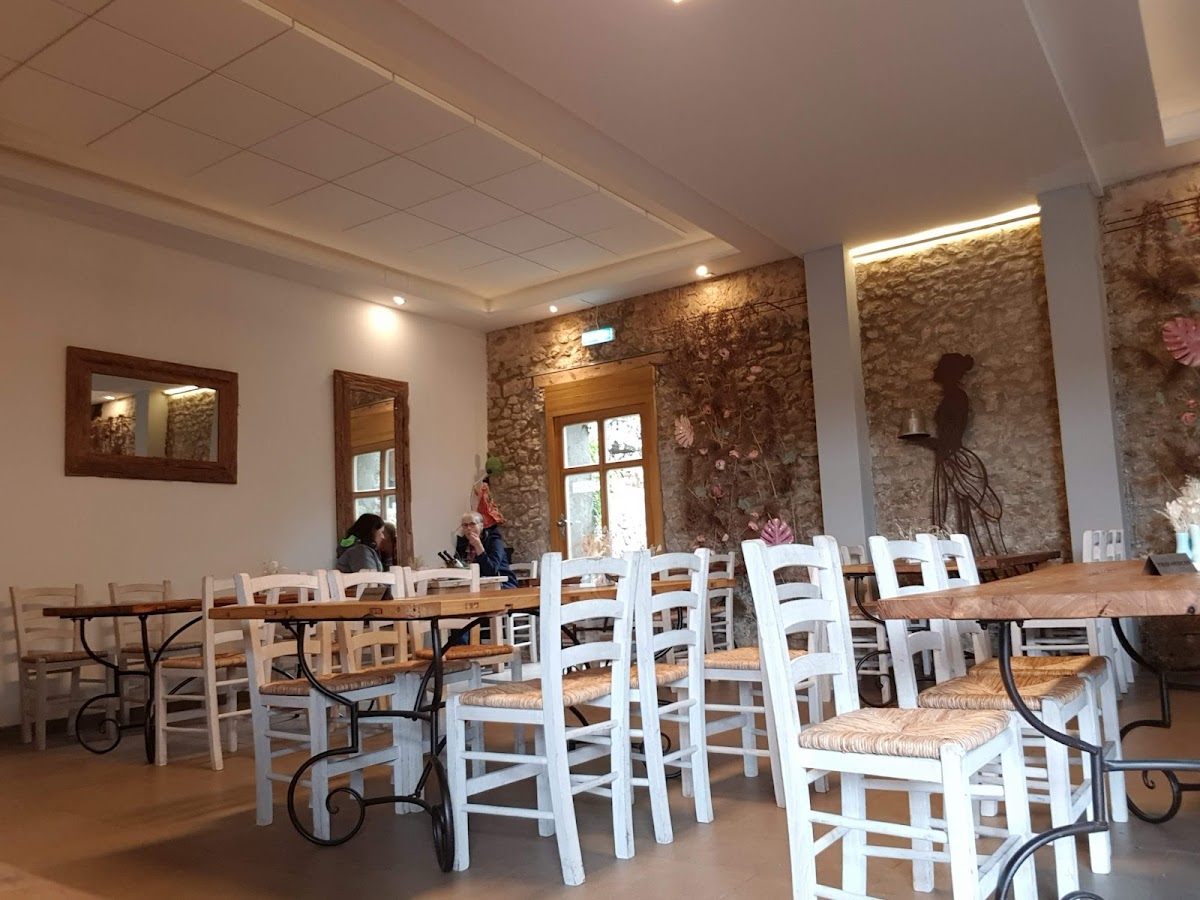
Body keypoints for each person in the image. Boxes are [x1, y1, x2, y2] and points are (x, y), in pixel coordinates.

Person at [456, 511, 517, 588]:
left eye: (472, 524)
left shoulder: (494, 541)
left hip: (501, 584)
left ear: (481, 526)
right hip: (474, 584)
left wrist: (478, 546)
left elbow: (491, 571)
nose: (468, 528)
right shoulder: (463, 543)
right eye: (465, 525)